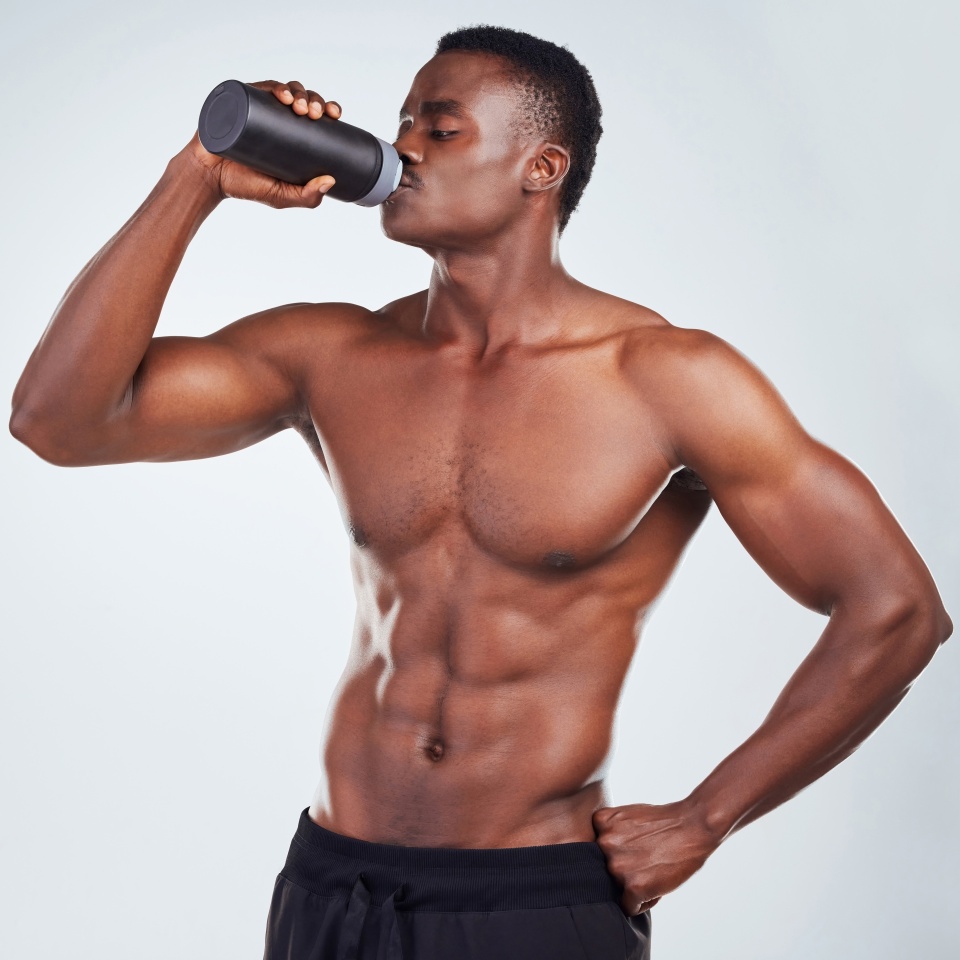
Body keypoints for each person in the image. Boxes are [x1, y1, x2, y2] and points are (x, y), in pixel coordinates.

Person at [9, 23, 952, 960]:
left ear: (541, 168)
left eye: (440, 127)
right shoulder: (332, 352)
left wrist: (707, 817)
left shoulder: (666, 377)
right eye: (403, 120)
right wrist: (197, 179)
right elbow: (59, 421)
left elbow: (896, 609)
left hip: (530, 903)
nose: (401, 145)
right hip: (332, 887)